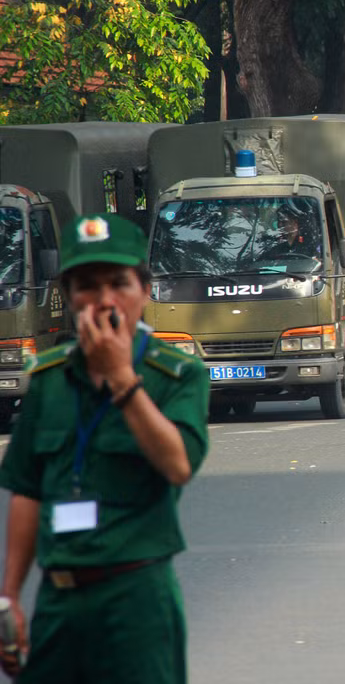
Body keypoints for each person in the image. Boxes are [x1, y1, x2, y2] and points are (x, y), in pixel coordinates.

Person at [0, 213, 210, 684]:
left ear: (145, 290)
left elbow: (178, 465)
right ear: (70, 297)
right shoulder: (49, 379)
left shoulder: (176, 376)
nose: (104, 300)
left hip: (136, 595)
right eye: (87, 287)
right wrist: (9, 596)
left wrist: (121, 377)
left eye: (119, 284)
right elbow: (27, 491)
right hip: (60, 598)